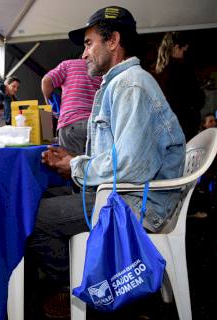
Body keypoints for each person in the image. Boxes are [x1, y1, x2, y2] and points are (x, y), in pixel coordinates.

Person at [27, 6, 186, 318]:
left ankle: (77, 288)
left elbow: (131, 168)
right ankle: (88, 278)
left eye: (88, 43)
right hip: (128, 192)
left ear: (113, 41)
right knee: (37, 198)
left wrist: (75, 166)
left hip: (139, 203)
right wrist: (76, 159)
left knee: (30, 216)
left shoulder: (131, 86)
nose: (84, 54)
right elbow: (119, 157)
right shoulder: (119, 84)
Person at [152, 32, 205, 141]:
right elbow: (196, 99)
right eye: (183, 50)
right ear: (176, 48)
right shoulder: (183, 70)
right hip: (184, 126)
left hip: (163, 129)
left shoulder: (157, 71)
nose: (185, 53)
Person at [41, 59, 101, 155]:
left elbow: (46, 81)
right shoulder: (99, 69)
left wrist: (50, 103)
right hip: (94, 124)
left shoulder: (68, 65)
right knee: (91, 166)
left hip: (71, 121)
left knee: (70, 166)